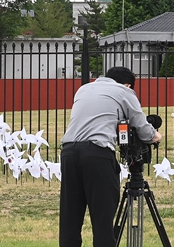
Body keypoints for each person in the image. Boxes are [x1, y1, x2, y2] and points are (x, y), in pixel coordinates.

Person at [59, 66, 161, 247]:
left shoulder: (83, 89)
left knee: (70, 219)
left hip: (69, 152)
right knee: (103, 222)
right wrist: (155, 136)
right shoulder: (124, 91)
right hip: (97, 154)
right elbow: (143, 128)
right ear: (128, 85)